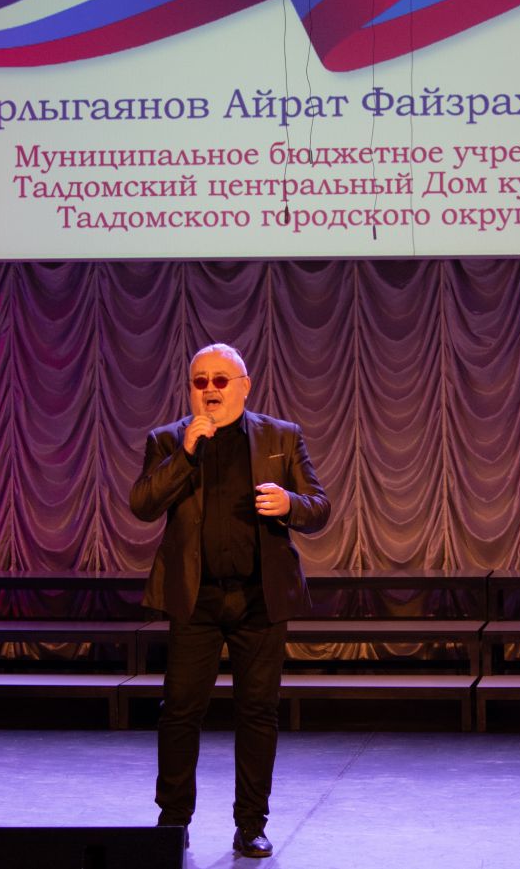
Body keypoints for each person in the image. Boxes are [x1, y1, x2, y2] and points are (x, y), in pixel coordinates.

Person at [129, 343, 330, 858]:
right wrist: (185, 454)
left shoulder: (281, 437)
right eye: (200, 381)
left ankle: (251, 824)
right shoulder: (168, 440)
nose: (210, 390)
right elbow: (143, 504)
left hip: (259, 598)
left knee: (257, 712)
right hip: (195, 599)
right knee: (179, 712)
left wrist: (289, 503)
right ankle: (173, 821)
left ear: (244, 386)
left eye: (221, 380)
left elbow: (319, 506)